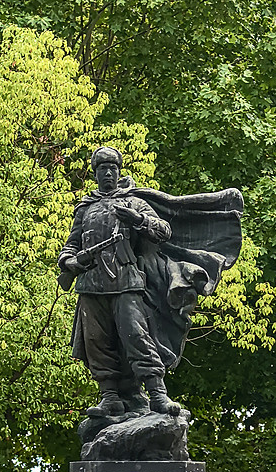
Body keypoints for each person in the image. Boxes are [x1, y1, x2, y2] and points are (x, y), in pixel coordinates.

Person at [58, 146, 243, 419]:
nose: (108, 174)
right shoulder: (85, 208)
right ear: (95, 173)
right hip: (90, 285)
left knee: (137, 337)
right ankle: (109, 397)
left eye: (112, 169)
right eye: (102, 170)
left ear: (119, 172)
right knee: (97, 342)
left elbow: (163, 231)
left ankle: (157, 394)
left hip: (126, 281)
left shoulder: (133, 202)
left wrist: (139, 220)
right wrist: (70, 262)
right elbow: (70, 246)